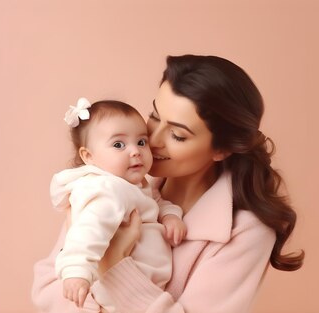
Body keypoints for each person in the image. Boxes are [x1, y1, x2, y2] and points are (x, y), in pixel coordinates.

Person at [32, 55, 304, 313]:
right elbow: (47, 286)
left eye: (177, 134)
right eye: (154, 115)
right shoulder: (118, 181)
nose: (153, 139)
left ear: (221, 149)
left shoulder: (245, 231)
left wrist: (114, 264)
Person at [49, 98, 187, 312]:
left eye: (141, 142)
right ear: (88, 156)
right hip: (116, 289)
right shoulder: (107, 190)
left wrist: (170, 215)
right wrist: (76, 270)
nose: (135, 151)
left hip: (138, 288)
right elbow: (88, 231)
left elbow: (156, 201)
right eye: (118, 145)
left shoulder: (133, 186)